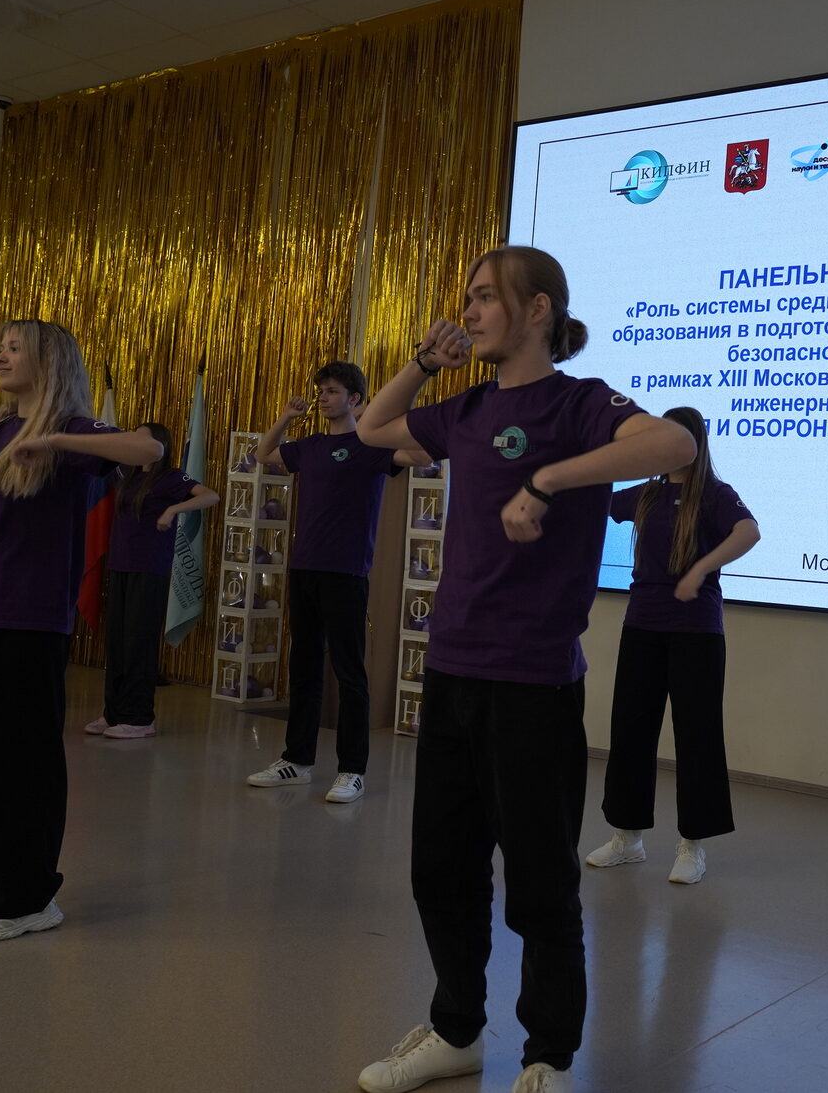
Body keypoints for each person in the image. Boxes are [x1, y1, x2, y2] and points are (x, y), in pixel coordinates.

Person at [351, 246, 695, 1093]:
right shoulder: (467, 406)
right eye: (466, 298)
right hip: (452, 669)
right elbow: (372, 429)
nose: (468, 312)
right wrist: (422, 363)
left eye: (484, 298)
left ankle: (548, 1053)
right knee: (442, 869)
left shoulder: (578, 402)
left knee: (539, 882)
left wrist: (548, 477)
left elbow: (675, 441)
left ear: (537, 309)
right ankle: (457, 1029)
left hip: (534, 681)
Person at [0, 320, 163, 942]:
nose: (1, 356)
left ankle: (29, 897)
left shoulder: (76, 432)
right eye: (0, 347)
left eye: (13, 349)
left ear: (48, 361)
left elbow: (148, 450)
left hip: (29, 620)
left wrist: (54, 438)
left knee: (21, 762)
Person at [584, 405, 759, 885]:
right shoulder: (647, 493)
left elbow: (749, 531)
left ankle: (692, 845)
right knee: (631, 730)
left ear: (694, 443)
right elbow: (595, 501)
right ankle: (628, 837)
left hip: (697, 631)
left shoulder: (715, 494)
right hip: (642, 625)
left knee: (697, 734)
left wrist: (702, 567)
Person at [244, 362, 423, 803]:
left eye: (332, 391)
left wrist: (386, 420)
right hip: (305, 569)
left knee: (349, 673)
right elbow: (264, 454)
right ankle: (297, 760)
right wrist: (286, 417)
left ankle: (352, 770)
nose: (322, 398)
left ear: (355, 398)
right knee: (303, 668)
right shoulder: (311, 446)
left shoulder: (370, 446)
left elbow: (422, 456)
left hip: (346, 573)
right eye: (320, 391)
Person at [82, 421, 218, 738]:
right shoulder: (126, 475)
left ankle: (140, 717)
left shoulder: (170, 477)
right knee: (117, 642)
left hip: (149, 567)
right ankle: (113, 713)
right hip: (121, 565)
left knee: (138, 642)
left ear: (159, 445)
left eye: (142, 438)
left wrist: (173, 510)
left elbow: (210, 496)